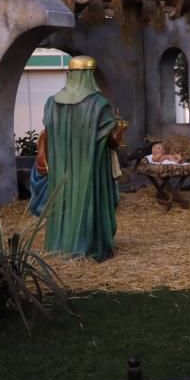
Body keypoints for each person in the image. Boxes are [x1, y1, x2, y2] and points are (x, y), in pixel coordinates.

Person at [42, 56, 122, 261]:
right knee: (86, 199)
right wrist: (119, 131)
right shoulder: (99, 104)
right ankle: (88, 247)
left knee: (63, 200)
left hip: (61, 169)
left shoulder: (51, 103)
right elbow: (112, 142)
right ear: (89, 75)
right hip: (89, 169)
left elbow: (48, 134)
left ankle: (59, 245)